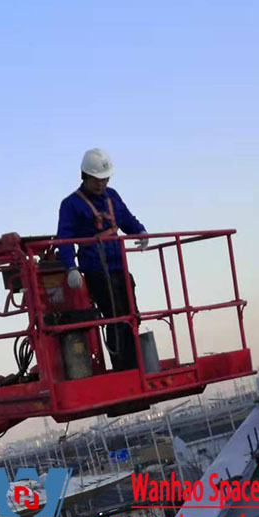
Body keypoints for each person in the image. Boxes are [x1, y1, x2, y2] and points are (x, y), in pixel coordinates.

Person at [56, 149, 148, 371]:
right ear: (85, 176)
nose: (101, 184)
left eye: (105, 179)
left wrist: (140, 231)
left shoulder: (112, 196)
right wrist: (71, 268)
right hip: (96, 269)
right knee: (115, 317)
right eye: (97, 180)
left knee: (132, 315)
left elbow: (126, 218)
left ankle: (136, 366)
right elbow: (64, 238)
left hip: (119, 265)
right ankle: (124, 368)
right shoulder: (71, 205)